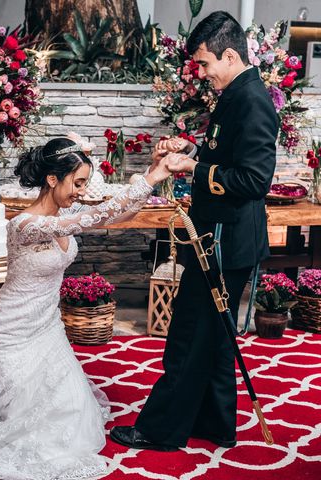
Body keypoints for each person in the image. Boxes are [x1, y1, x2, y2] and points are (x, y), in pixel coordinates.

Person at [0, 136, 173, 479]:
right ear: (52, 179)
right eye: (77, 182)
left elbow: (119, 213)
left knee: (69, 411)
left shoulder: (68, 213)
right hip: (8, 329)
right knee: (16, 416)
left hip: (47, 328)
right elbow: (97, 217)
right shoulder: (25, 225)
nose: (81, 191)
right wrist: (150, 180)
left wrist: (154, 171)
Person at [110, 11, 278, 451]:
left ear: (228, 54)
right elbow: (227, 153)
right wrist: (192, 149)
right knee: (215, 341)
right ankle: (215, 424)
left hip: (225, 242)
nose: (201, 74)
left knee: (189, 337)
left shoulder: (252, 101)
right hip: (216, 238)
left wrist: (194, 167)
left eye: (204, 65)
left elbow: (255, 180)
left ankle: (159, 431)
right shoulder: (236, 92)